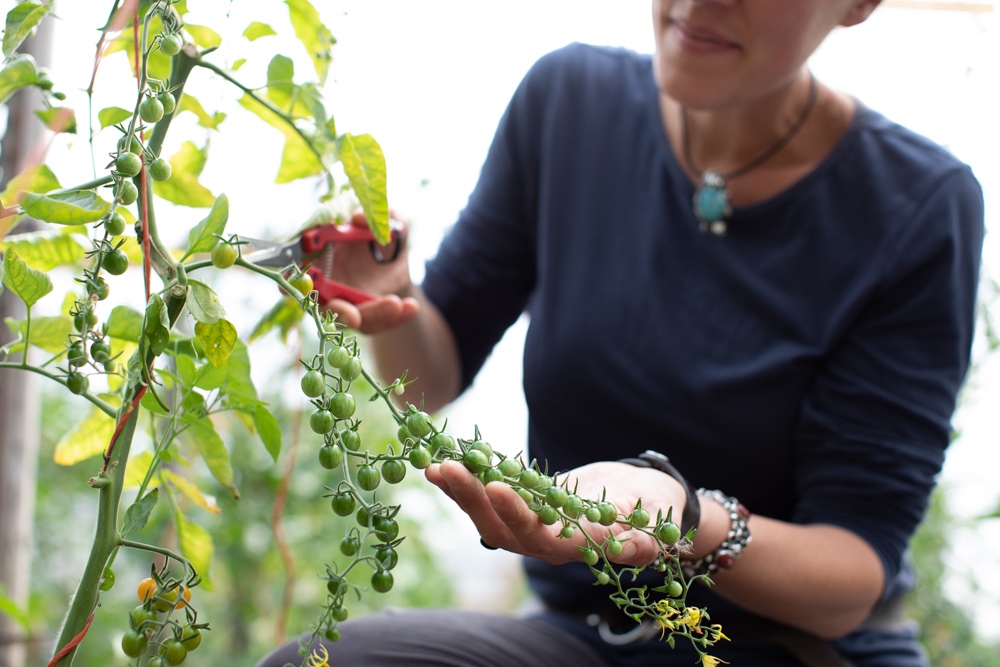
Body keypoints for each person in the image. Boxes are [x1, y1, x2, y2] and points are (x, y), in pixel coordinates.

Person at [257, 1, 985, 665]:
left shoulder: (914, 207)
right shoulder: (568, 104)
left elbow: (850, 578)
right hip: (585, 637)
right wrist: (395, 299)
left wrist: (687, 517)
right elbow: (432, 376)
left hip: (788, 649)